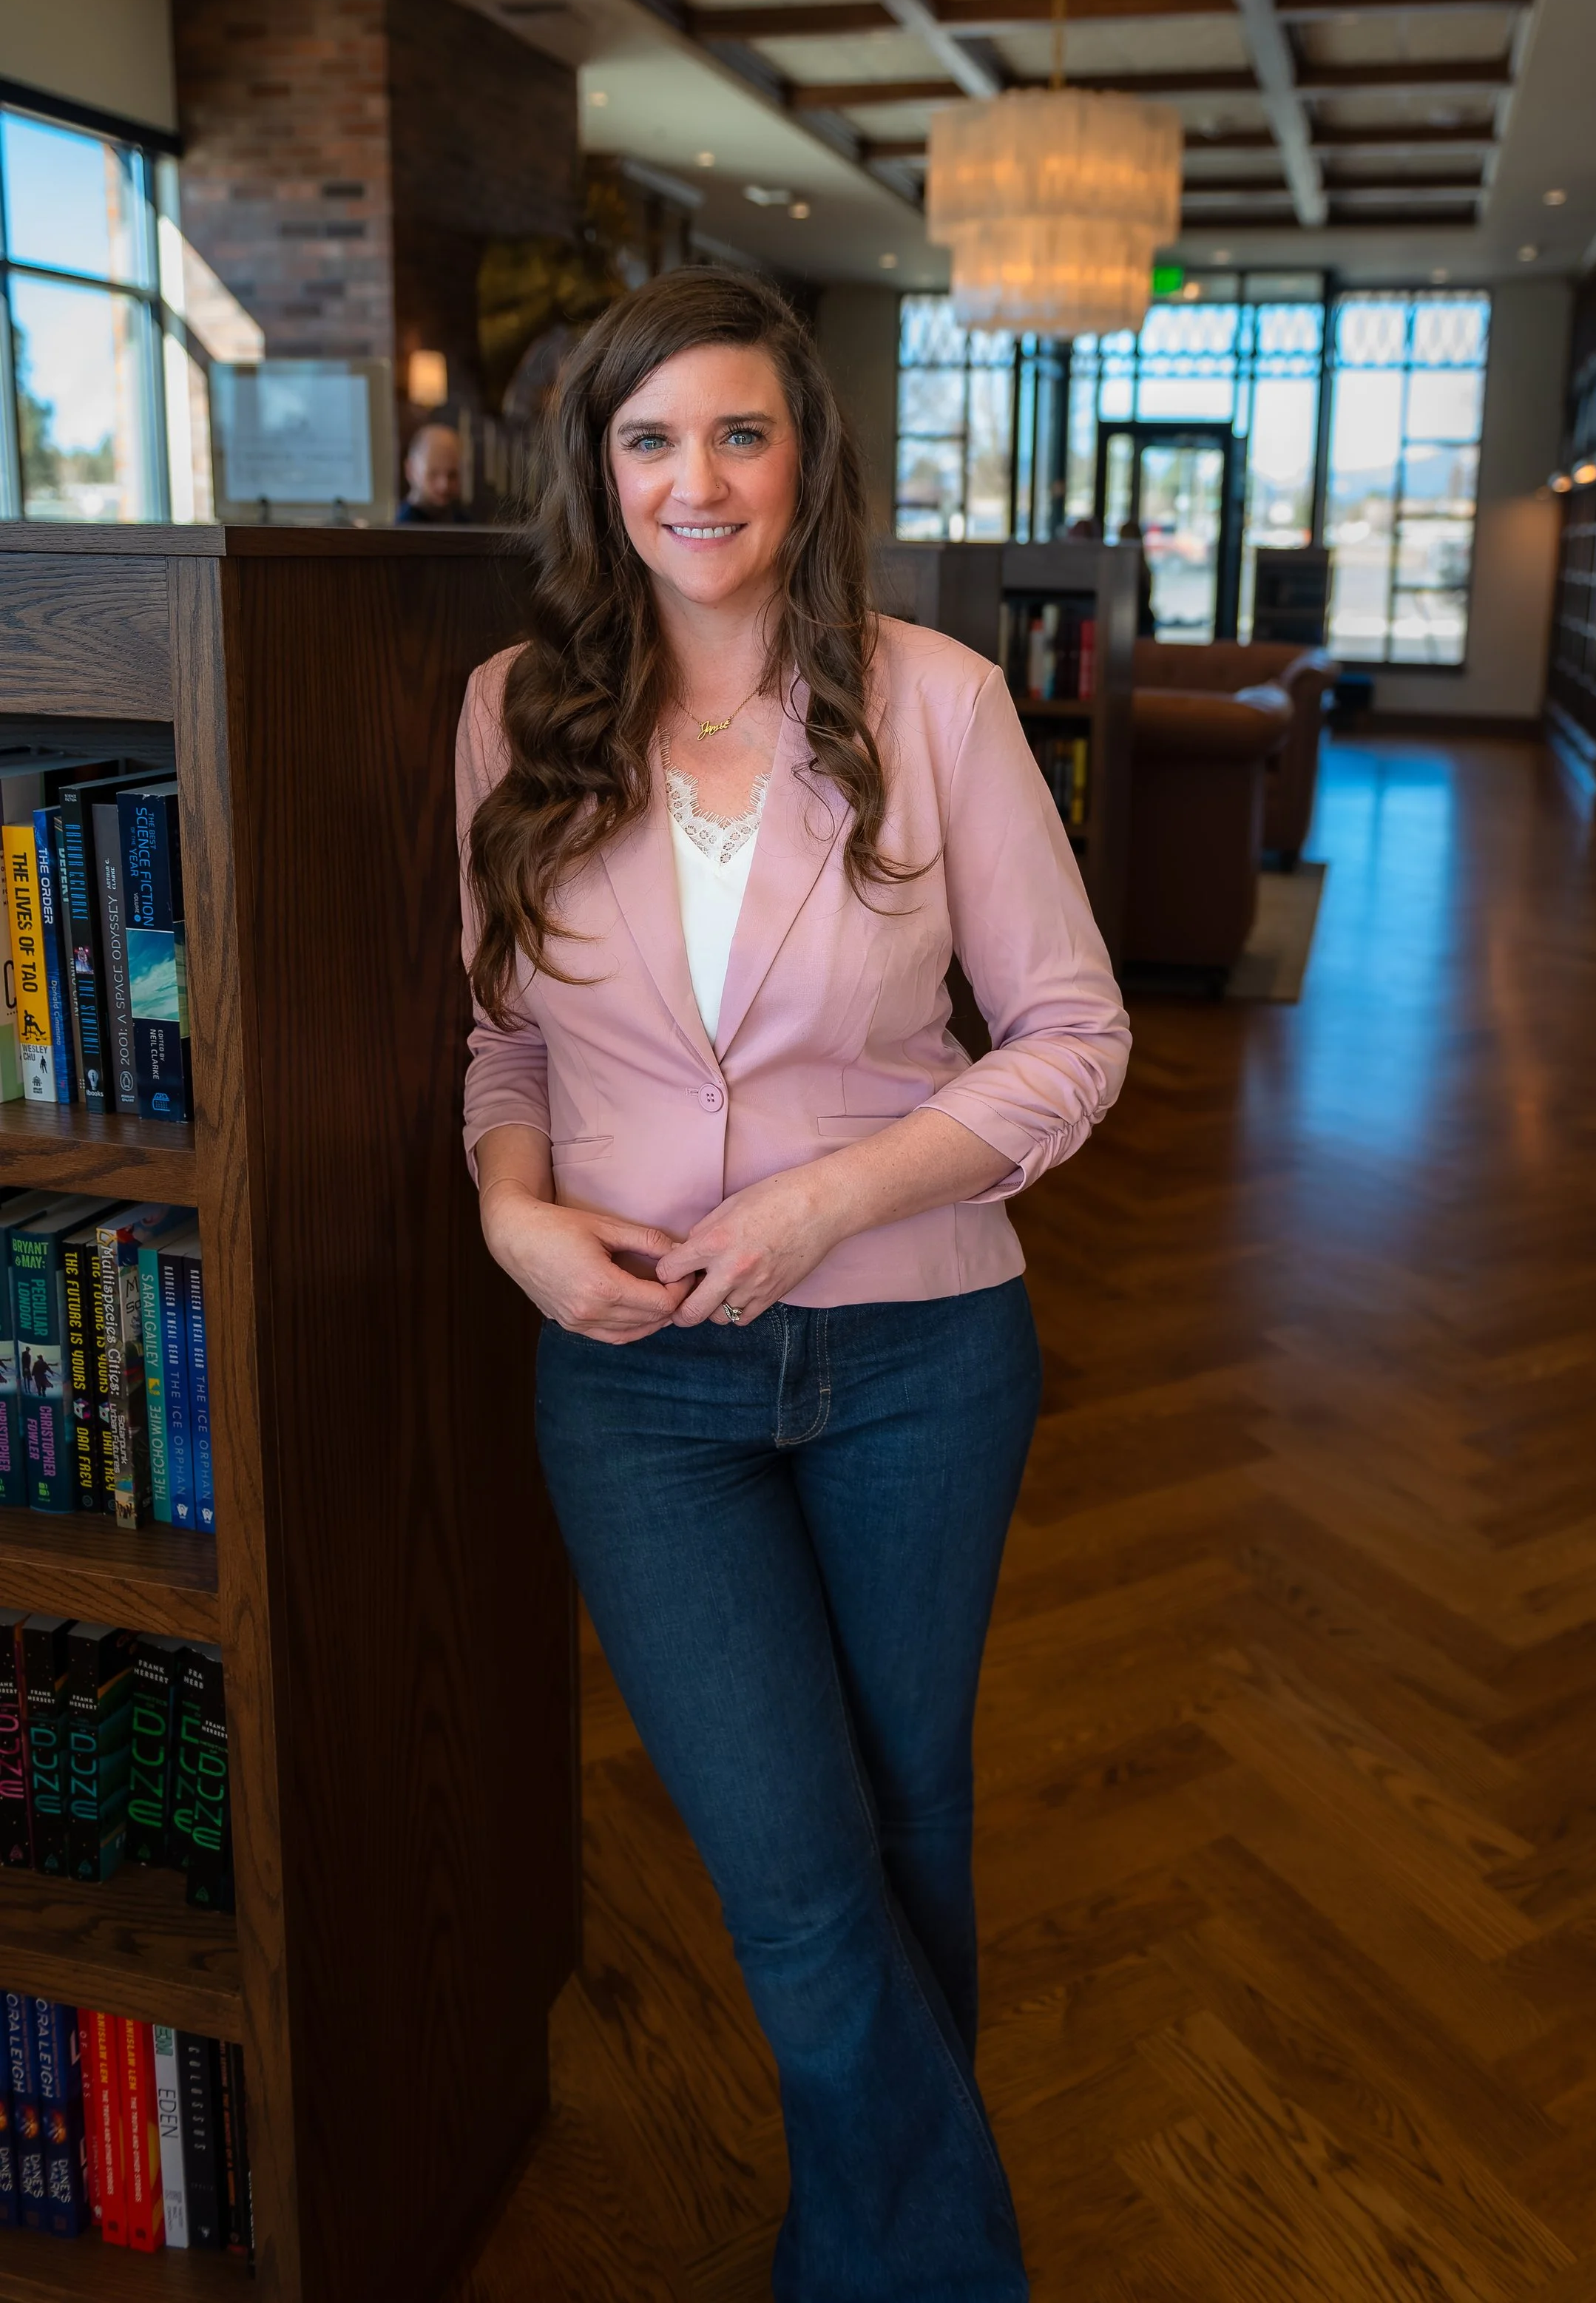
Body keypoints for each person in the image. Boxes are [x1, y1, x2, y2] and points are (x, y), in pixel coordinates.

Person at [455, 268, 1129, 2300]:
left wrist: (830, 1200)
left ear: (802, 459)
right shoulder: (513, 709)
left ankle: (867, 2254)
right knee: (793, 1873)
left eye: (736, 431)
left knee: (906, 1827)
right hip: (639, 1381)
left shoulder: (933, 696)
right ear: (598, 472)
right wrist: (510, 1212)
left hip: (920, 1348)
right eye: (647, 437)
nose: (693, 477)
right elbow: (496, 1043)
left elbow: (1072, 1038)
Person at [396, 420, 467, 523]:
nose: (444, 485)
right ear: (410, 470)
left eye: (452, 475)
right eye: (433, 474)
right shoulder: (403, 530)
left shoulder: (463, 521)